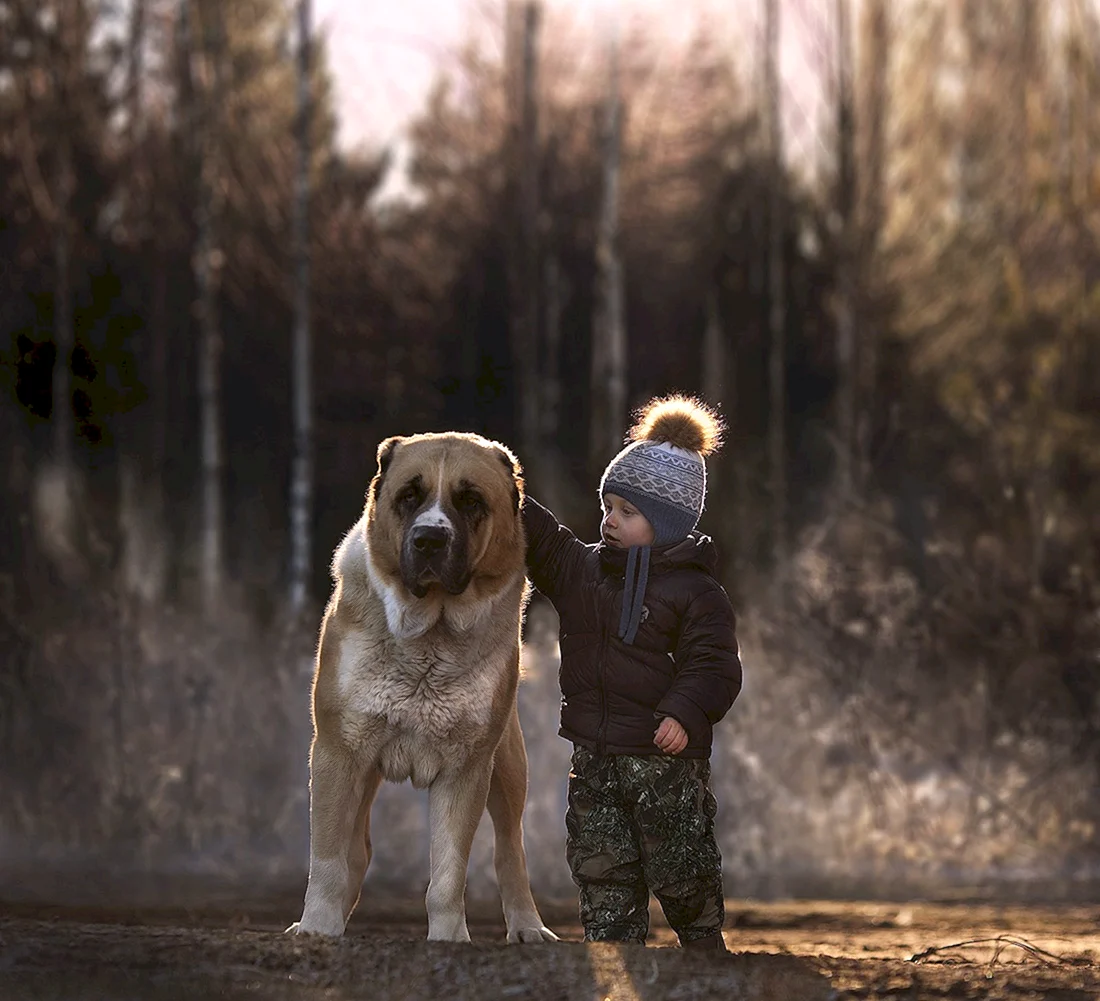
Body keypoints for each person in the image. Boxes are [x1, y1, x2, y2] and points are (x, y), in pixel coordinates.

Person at [522, 394, 743, 950]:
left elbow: (714, 665)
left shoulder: (696, 592)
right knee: (602, 860)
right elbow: (547, 546)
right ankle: (614, 946)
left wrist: (686, 712)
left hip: (663, 758)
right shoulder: (585, 571)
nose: (609, 520)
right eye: (607, 506)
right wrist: (508, 493)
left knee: (680, 859)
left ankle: (701, 941)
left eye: (627, 511)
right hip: (595, 753)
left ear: (665, 524)